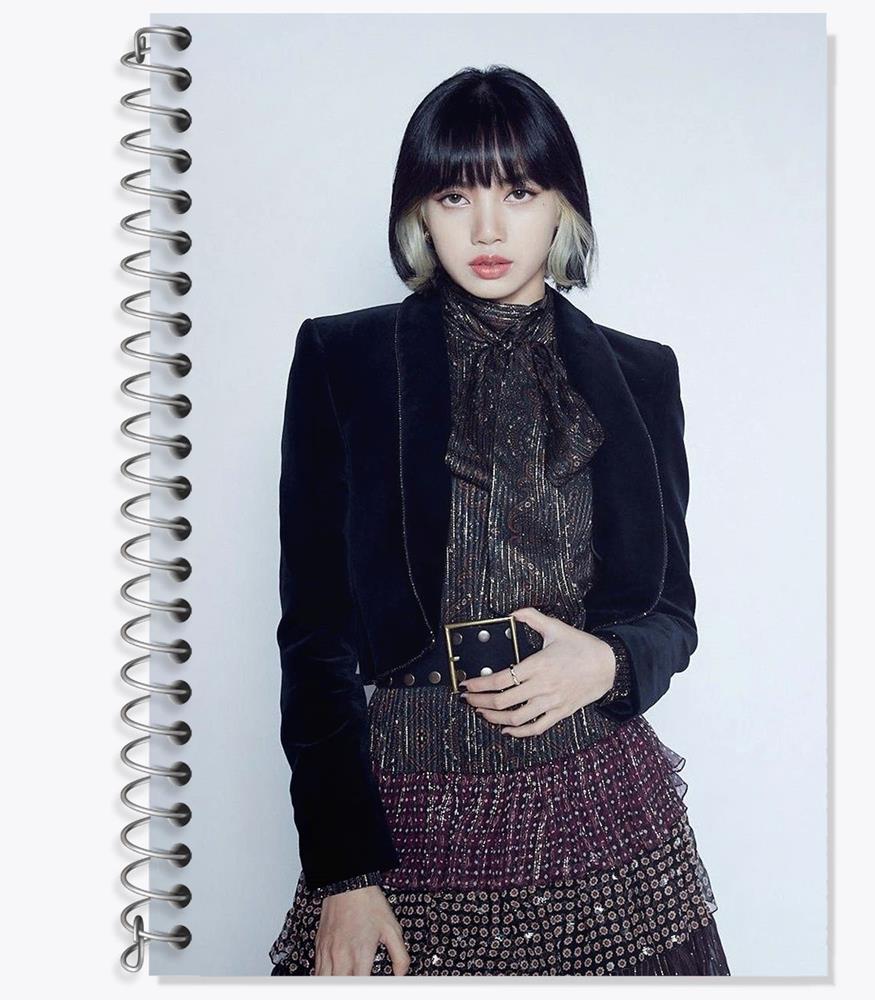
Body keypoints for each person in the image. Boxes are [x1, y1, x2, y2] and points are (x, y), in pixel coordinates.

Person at [269, 64, 730, 977]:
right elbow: (314, 638)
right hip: (406, 803)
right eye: (454, 195)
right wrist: (345, 873)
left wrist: (607, 662)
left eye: (517, 192)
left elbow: (671, 613)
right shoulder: (344, 359)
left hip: (602, 802)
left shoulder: (643, 375)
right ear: (419, 213)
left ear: (562, 206)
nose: (486, 229)